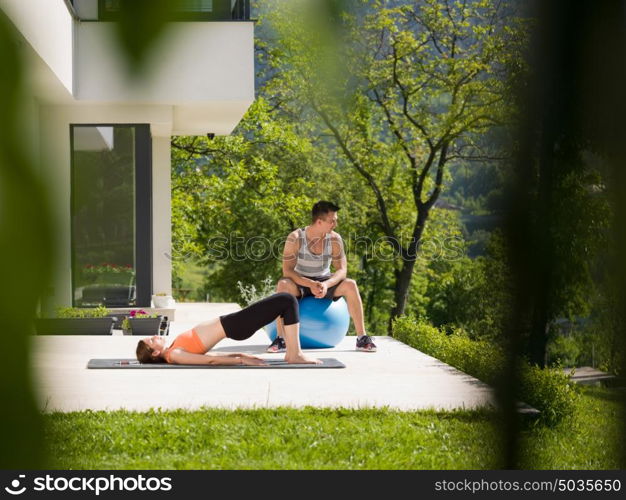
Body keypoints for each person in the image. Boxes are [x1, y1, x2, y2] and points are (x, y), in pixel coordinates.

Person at [267, 201, 377, 353]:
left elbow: (342, 270)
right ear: (319, 222)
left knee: (350, 284)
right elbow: (288, 271)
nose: (335, 224)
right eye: (332, 221)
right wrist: (309, 283)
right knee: (283, 284)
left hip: (325, 280)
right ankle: (281, 339)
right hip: (300, 281)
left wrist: (327, 284)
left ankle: (362, 338)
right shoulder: (296, 237)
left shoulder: (334, 239)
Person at [136, 292, 321, 365]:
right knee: (287, 300)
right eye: (151, 341)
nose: (154, 336)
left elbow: (210, 356)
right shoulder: (174, 355)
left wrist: (242, 355)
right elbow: (209, 362)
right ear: (154, 353)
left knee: (286, 303)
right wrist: (241, 361)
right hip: (235, 325)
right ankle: (294, 354)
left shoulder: (172, 350)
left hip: (234, 323)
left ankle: (293, 352)